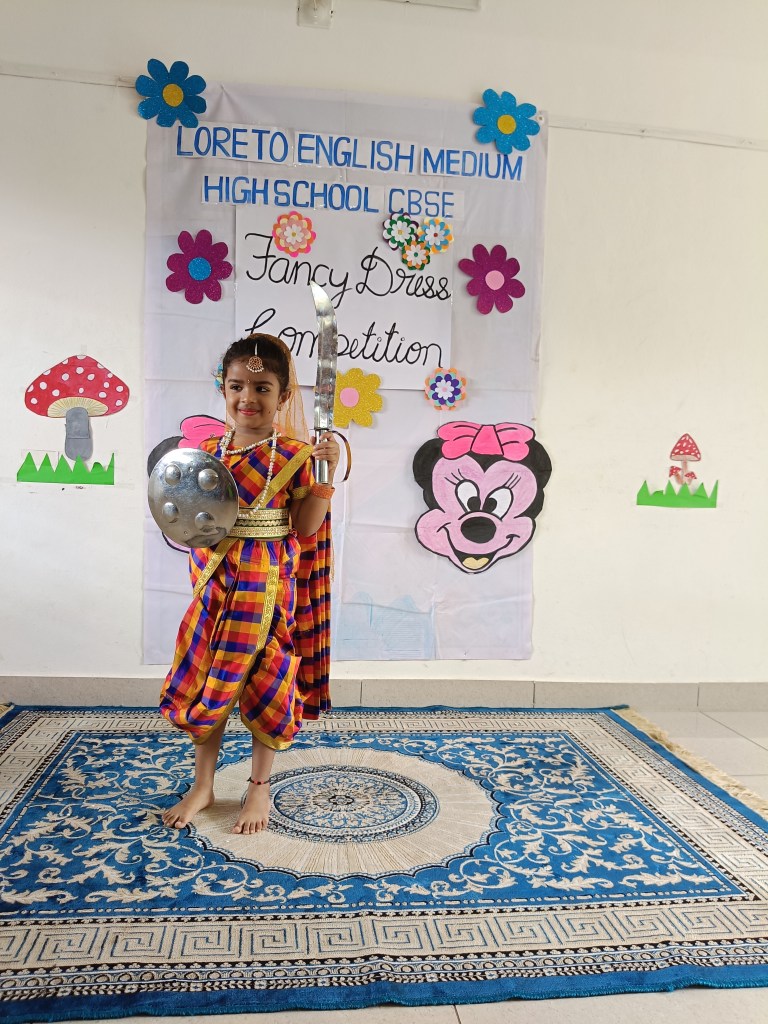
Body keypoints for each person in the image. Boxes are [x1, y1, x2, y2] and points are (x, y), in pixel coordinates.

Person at [160, 333, 340, 835]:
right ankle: (203, 785)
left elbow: (305, 527)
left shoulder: (296, 456)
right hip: (213, 581)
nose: (247, 398)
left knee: (266, 679)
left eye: (262, 388)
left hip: (265, 590)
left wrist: (325, 475)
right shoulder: (204, 455)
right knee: (210, 677)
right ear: (223, 388)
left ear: (283, 396)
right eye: (237, 385)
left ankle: (259, 788)